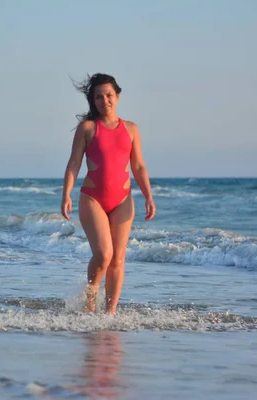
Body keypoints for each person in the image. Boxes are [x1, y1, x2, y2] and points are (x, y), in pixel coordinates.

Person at [61, 73, 156, 315]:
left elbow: (139, 166)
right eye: (99, 97)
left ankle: (110, 313)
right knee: (104, 254)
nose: (105, 101)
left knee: (118, 259)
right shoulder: (88, 128)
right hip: (93, 198)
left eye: (109, 95)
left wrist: (148, 196)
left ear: (118, 96)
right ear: (93, 101)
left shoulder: (131, 129)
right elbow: (73, 163)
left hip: (123, 200)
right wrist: (66, 194)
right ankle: (90, 298)